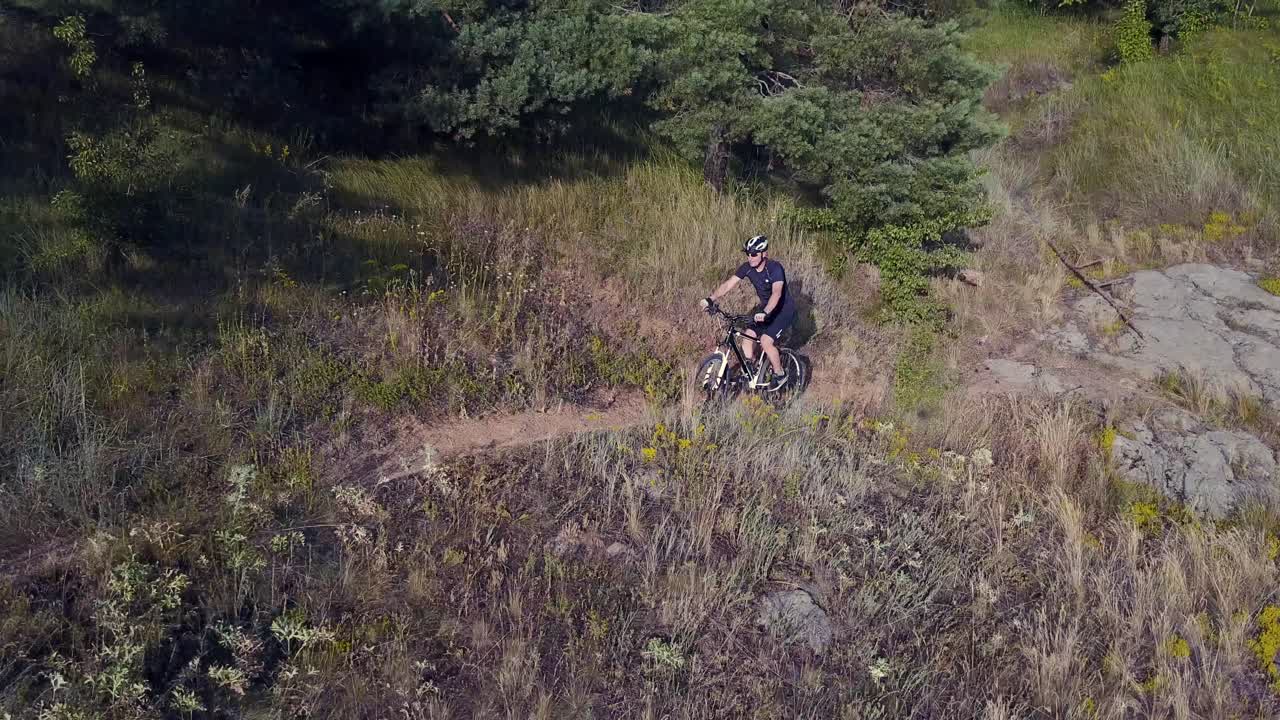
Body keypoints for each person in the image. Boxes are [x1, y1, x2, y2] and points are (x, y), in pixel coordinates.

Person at [700, 234, 796, 390]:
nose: (750, 257)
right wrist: (710, 299)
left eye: (753, 254)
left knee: (765, 341)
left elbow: (777, 293)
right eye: (747, 254)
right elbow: (728, 285)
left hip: (783, 310)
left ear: (764, 254)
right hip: (766, 310)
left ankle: (780, 374)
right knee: (747, 339)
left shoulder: (774, 268)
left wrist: (765, 312)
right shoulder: (747, 268)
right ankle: (755, 370)